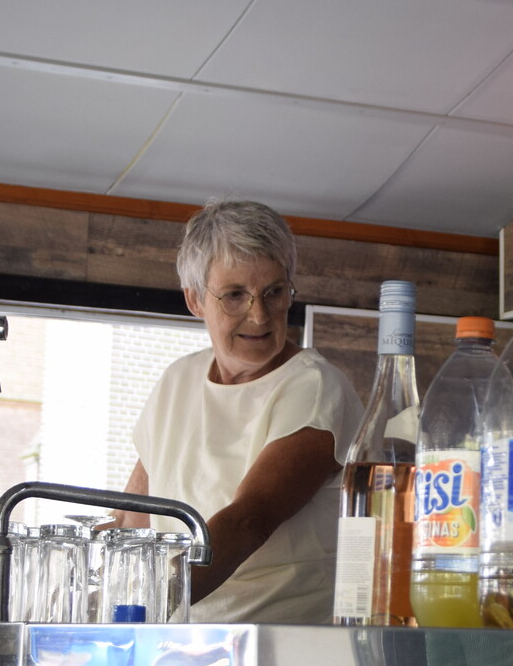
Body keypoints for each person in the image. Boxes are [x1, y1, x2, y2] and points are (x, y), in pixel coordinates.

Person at [116, 199, 362, 623]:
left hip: (279, 640)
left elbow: (250, 520)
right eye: (235, 295)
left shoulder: (315, 386)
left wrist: (141, 608)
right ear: (195, 300)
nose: (259, 315)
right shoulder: (178, 379)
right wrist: (92, 592)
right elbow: (134, 516)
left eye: (274, 292)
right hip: (181, 634)